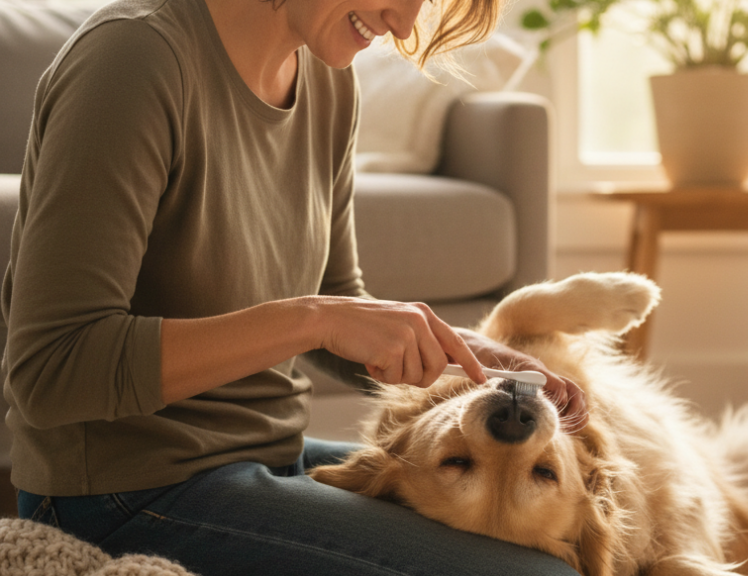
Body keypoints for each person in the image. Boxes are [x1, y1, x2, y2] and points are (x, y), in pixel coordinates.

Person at [1, 0, 587, 573]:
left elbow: (336, 296)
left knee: (547, 544)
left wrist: (459, 350)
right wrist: (312, 318)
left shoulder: (328, 81)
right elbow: (52, 370)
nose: (406, 22)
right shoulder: (132, 59)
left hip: (271, 457)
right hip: (122, 491)